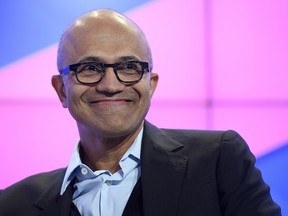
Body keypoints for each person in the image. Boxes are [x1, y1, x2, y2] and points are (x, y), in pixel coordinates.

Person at [0, 9, 281, 216]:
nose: (110, 85)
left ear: (151, 84)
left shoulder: (219, 161)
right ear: (61, 89)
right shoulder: (13, 205)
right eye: (89, 68)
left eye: (129, 67)